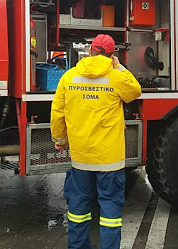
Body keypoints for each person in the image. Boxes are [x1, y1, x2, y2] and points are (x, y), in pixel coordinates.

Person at [50, 34, 142, 249]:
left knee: (78, 207)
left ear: (90, 51)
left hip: (81, 156)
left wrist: (60, 139)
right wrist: (118, 67)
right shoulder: (115, 76)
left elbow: (57, 111)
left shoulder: (69, 77)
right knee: (110, 209)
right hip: (109, 159)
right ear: (112, 56)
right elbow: (135, 91)